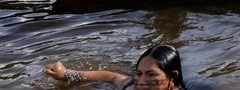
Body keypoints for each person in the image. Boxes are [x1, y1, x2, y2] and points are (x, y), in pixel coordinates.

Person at [44, 44, 188, 88]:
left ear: (172, 77)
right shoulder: (132, 86)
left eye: (151, 75)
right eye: (139, 73)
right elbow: (112, 77)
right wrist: (66, 74)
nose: (141, 82)